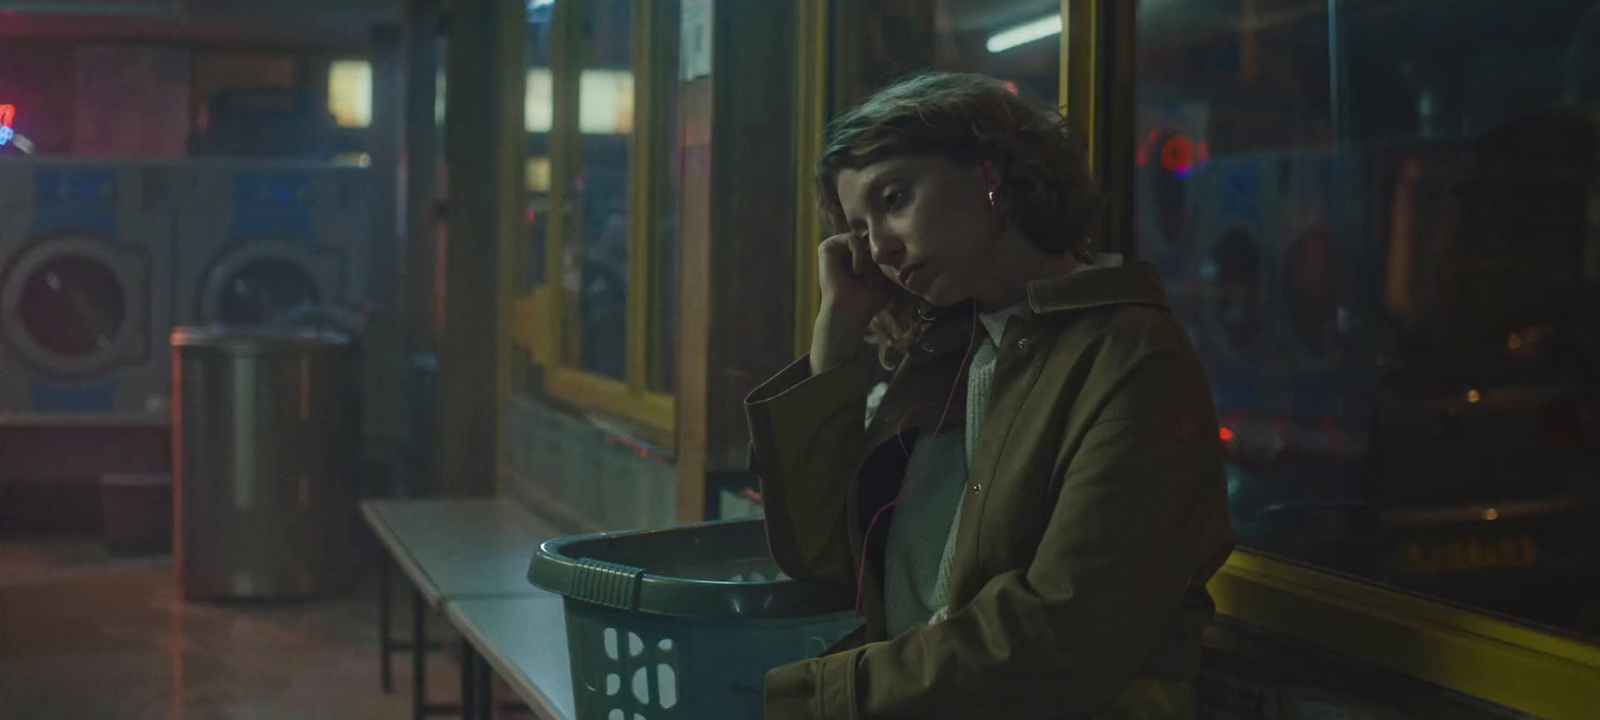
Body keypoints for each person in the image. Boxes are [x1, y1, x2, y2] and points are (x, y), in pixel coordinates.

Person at [745, 72, 1235, 719]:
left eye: (895, 198)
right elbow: (826, 557)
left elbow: (1065, 635)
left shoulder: (1130, 358)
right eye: (859, 230)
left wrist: (814, 697)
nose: (880, 248)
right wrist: (835, 336)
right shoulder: (944, 359)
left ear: (992, 172)